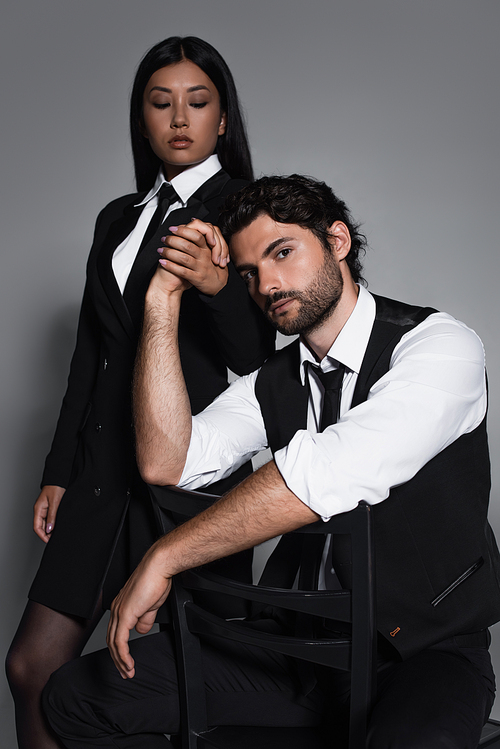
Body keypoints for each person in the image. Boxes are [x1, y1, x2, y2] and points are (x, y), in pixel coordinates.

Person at [43, 175, 500, 748]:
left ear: (336, 241)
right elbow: (167, 462)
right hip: (298, 653)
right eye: (249, 272)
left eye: (282, 252)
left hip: (420, 653)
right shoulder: (274, 381)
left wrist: (165, 556)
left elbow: (330, 470)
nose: (267, 284)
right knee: (77, 697)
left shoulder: (439, 346)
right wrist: (161, 302)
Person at [6, 37, 275, 749]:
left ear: (223, 120)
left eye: (197, 102)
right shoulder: (117, 219)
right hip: (100, 479)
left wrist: (219, 290)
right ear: (142, 119)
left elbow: (260, 362)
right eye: (161, 104)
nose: (179, 119)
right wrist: (59, 469)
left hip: (192, 485)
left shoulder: (250, 211)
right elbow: (90, 355)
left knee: (170, 694)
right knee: (31, 665)